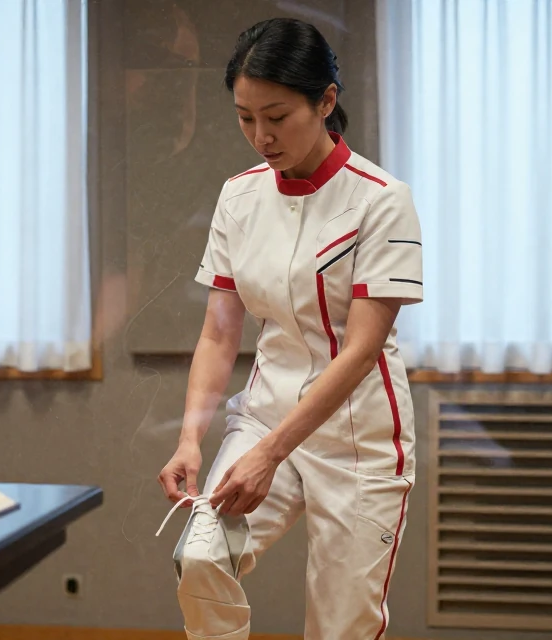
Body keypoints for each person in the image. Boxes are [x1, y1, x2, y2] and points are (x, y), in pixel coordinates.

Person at [156, 16, 423, 640]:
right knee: (201, 558)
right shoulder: (239, 197)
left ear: (325, 101)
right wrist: (191, 439)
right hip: (265, 413)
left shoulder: (382, 199)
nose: (261, 136)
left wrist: (272, 455)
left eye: (276, 116)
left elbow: (361, 349)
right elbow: (219, 332)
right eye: (246, 117)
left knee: (340, 627)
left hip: (359, 437)